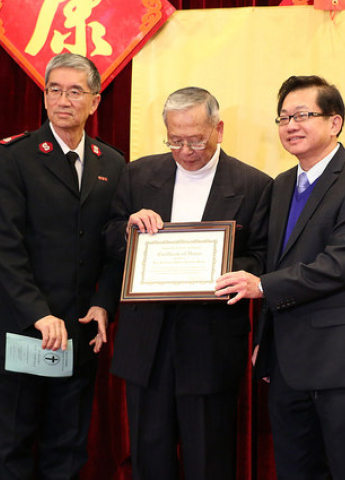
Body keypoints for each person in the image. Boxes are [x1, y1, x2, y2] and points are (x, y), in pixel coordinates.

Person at [215, 75, 345, 479]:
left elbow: (339, 265)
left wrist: (260, 287)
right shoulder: (280, 185)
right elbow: (273, 260)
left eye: (302, 115)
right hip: (286, 359)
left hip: (337, 358)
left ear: (334, 123)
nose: (290, 125)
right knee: (295, 466)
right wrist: (264, 339)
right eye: (283, 118)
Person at [105, 87, 272, 480]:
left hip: (210, 344)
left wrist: (214, 266)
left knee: (209, 460)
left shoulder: (254, 184)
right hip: (146, 343)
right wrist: (129, 229)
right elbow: (108, 237)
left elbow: (263, 259)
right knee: (150, 458)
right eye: (175, 140)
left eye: (196, 139)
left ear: (219, 129)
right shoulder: (139, 174)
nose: (186, 151)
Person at [0, 53, 125, 479]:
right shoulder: (15, 156)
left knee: (68, 451)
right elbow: (3, 246)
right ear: (44, 97)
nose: (63, 99)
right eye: (55, 90)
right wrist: (38, 313)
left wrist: (104, 304)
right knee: (12, 450)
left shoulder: (112, 164)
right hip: (21, 329)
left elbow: (116, 246)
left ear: (95, 102)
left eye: (75, 91)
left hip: (79, 333)